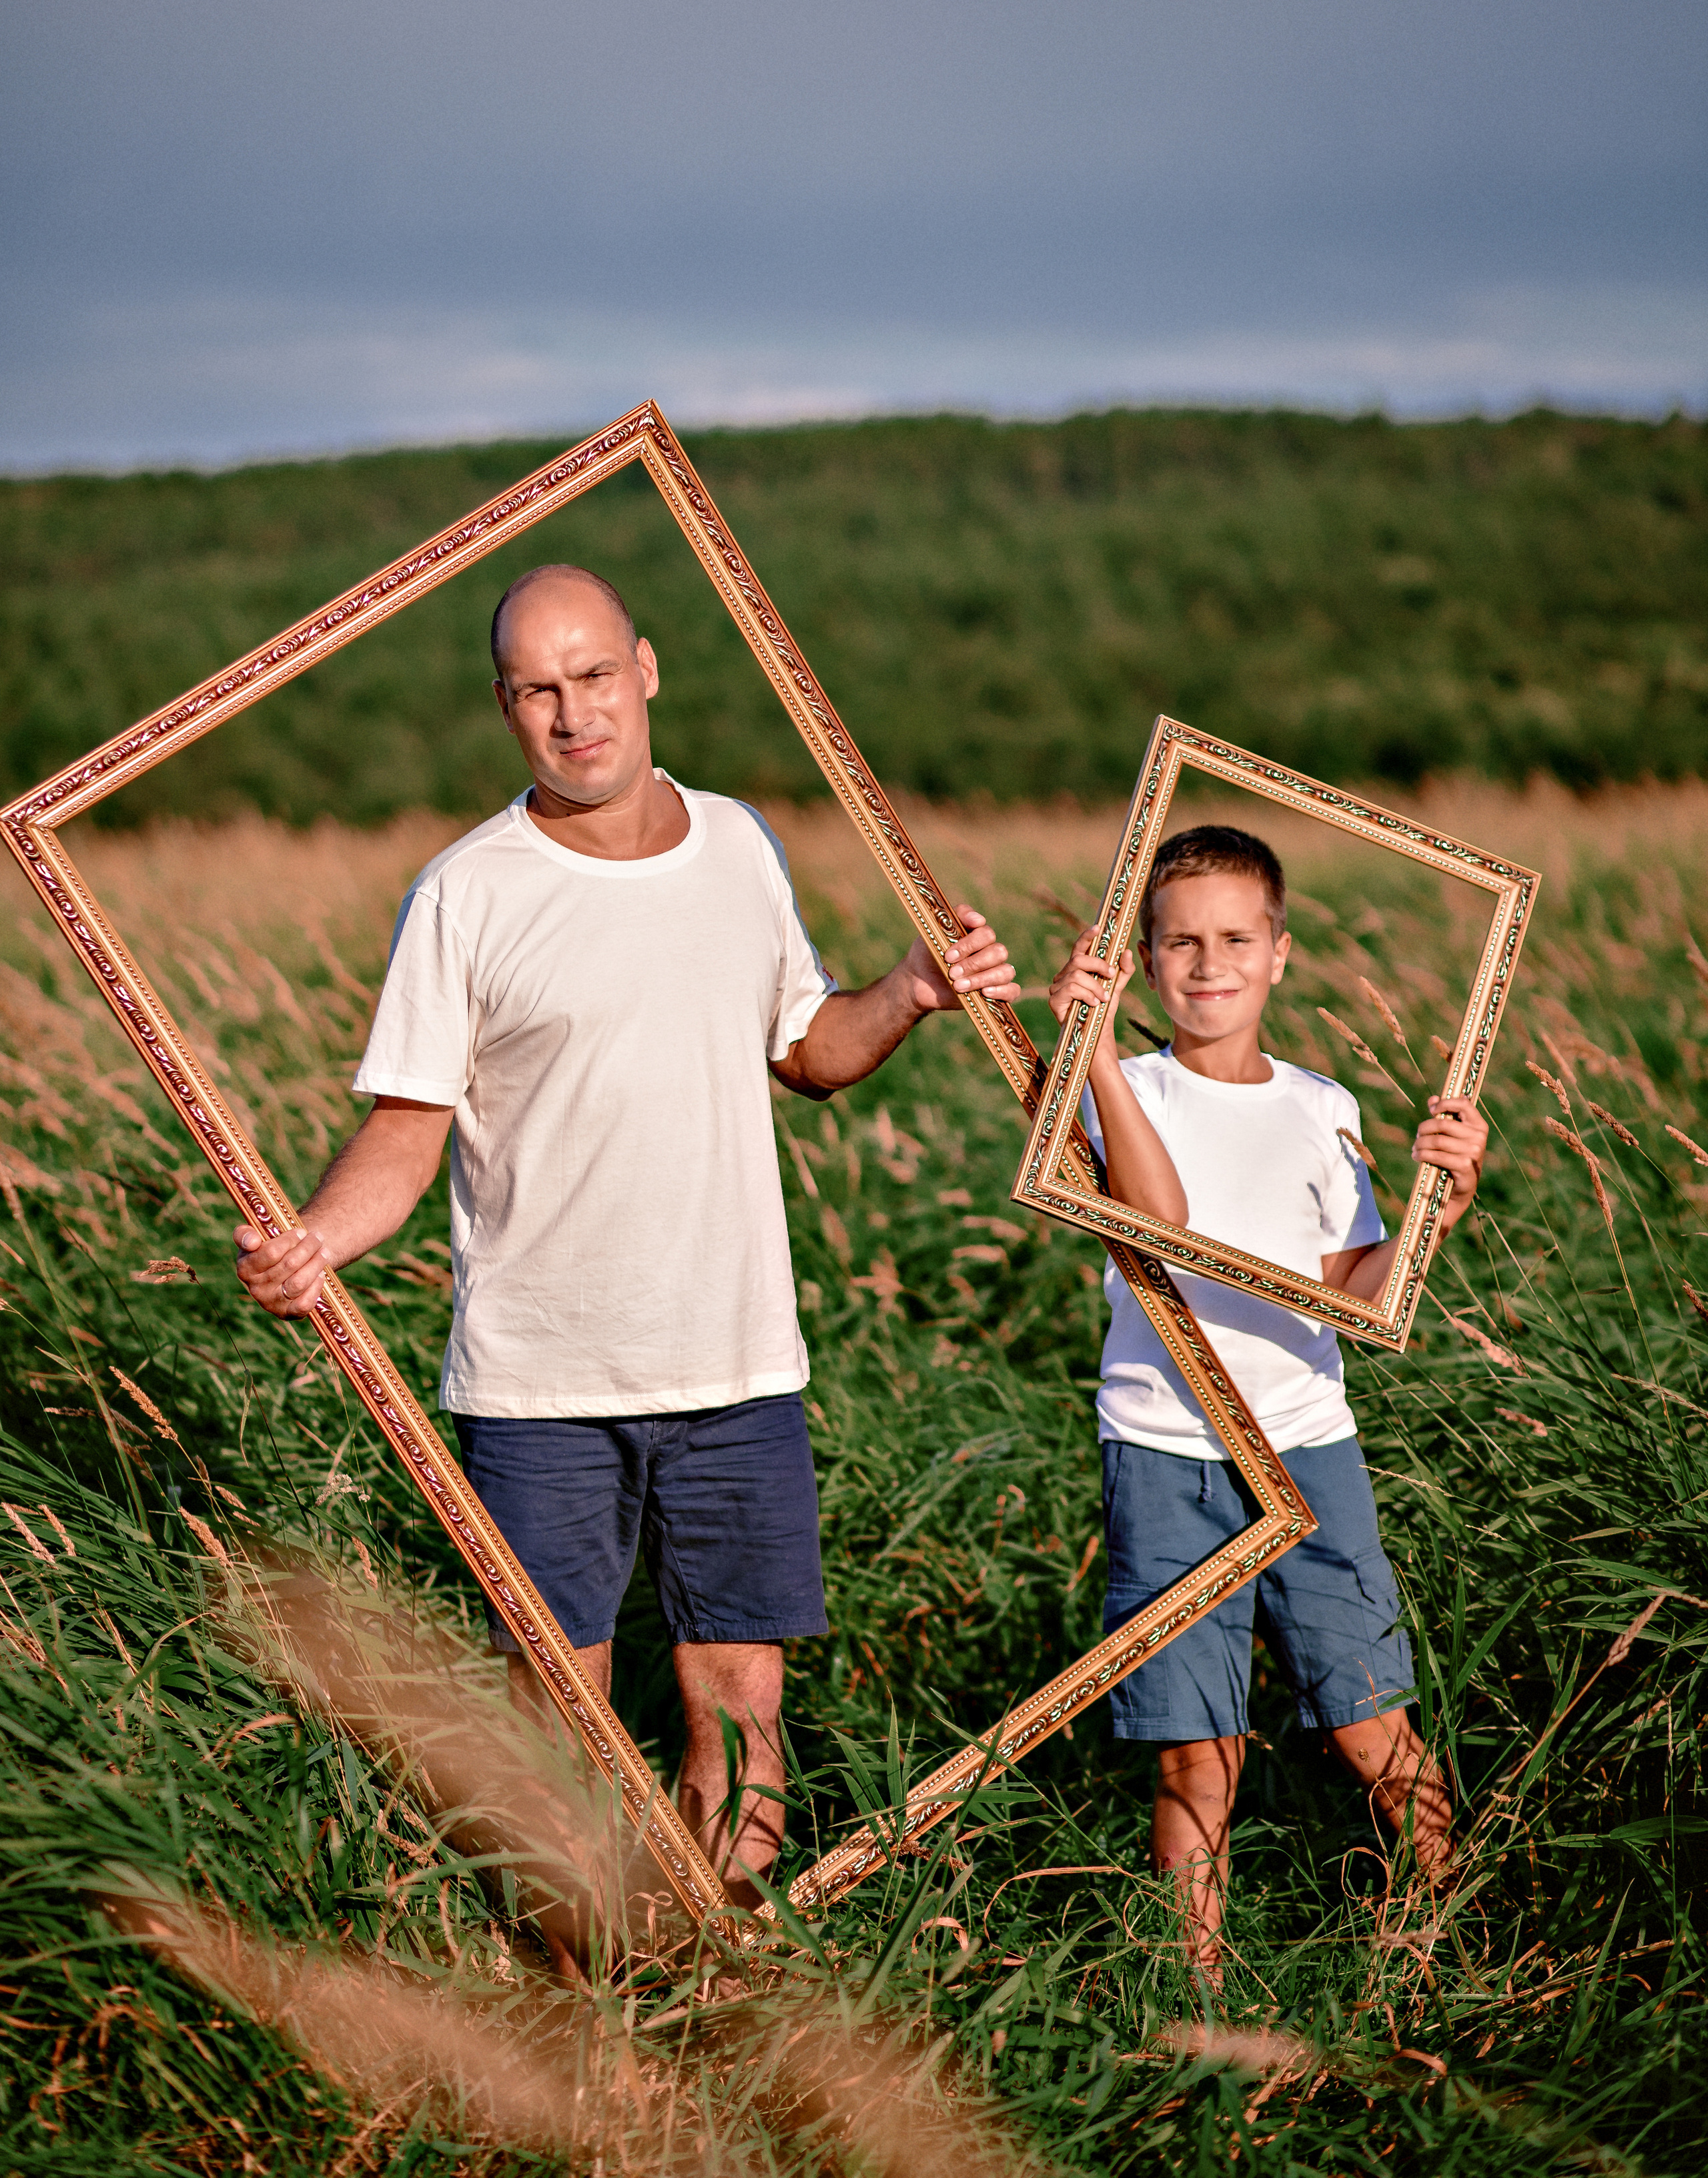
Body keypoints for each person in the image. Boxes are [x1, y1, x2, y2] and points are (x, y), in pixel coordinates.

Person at [234, 562, 1020, 1910]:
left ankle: (730, 1970)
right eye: (537, 688)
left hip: (733, 1367)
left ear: (645, 670)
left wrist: (907, 992)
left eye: (593, 675)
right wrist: (315, 1241)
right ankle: (588, 1998)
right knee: (555, 1721)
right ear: (504, 706)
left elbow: (806, 1049)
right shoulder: (464, 893)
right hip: (540, 1384)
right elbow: (406, 1134)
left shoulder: (737, 847)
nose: (572, 712)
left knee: (743, 1708)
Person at [1048, 823, 1486, 1980]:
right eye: (1180, 942)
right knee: (1197, 1750)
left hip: (1307, 1449)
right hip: (1163, 1453)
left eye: (1236, 938)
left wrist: (1443, 1203)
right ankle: (1192, 1992)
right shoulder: (1113, 1090)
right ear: (1143, 961)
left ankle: (1457, 1941)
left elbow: (1356, 1292)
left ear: (1280, 953)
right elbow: (1160, 1219)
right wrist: (1088, 1052)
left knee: (1371, 1724)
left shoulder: (1320, 1103)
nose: (1208, 964)